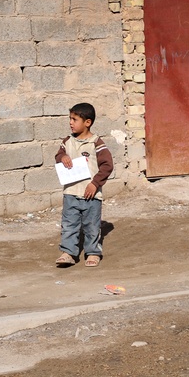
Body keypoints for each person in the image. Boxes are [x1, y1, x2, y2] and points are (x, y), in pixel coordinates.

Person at [54, 102, 114, 268]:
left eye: (74, 119)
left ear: (87, 122)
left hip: (91, 195)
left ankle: (93, 252)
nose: (70, 122)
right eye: (70, 119)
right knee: (69, 225)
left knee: (91, 226)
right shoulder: (67, 141)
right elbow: (58, 155)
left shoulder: (96, 143)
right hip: (71, 192)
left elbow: (107, 166)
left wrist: (95, 184)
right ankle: (68, 252)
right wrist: (62, 157)